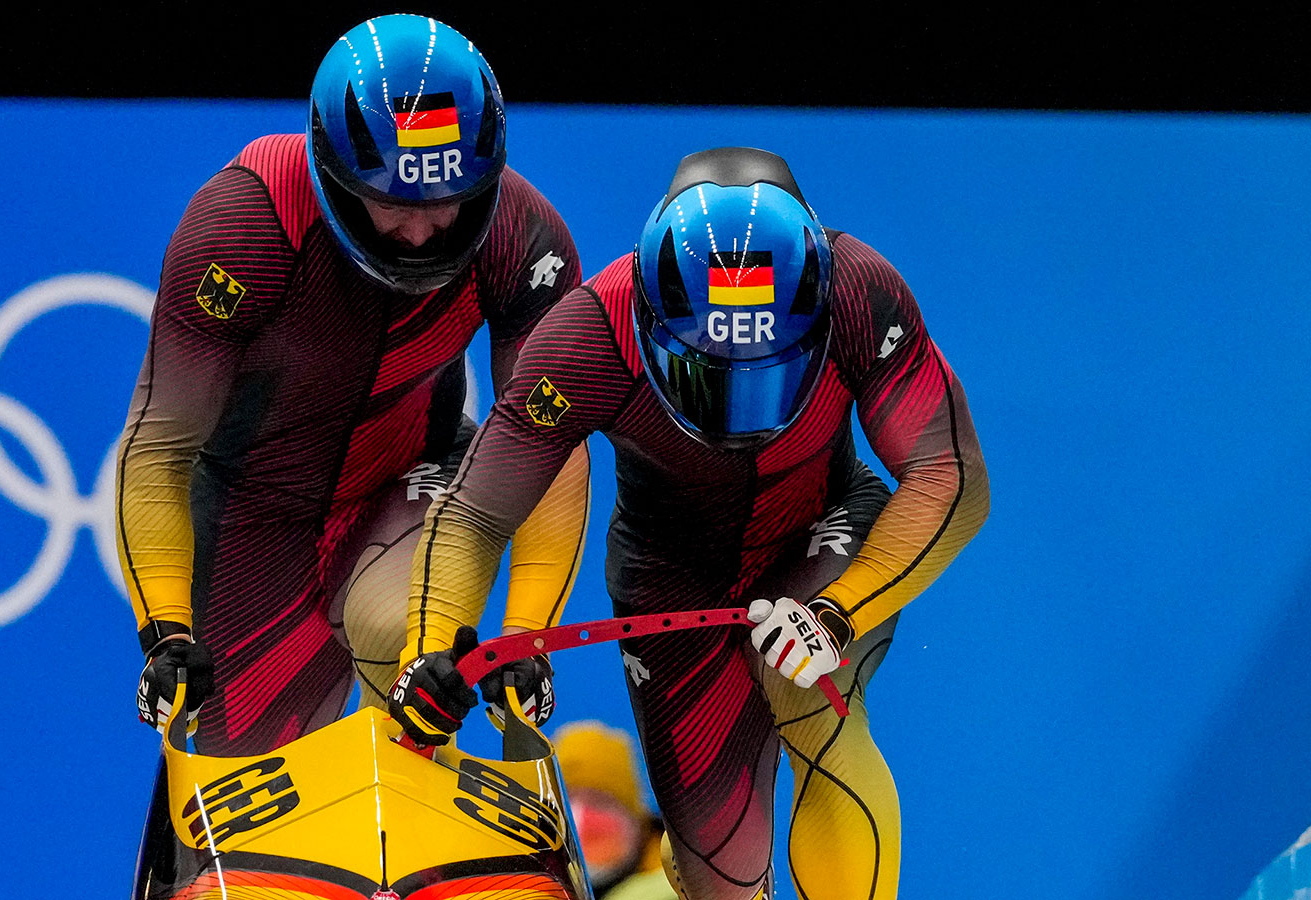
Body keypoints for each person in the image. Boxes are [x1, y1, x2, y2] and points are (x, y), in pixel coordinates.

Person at [387, 148, 990, 900]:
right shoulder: (591, 333)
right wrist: (425, 650)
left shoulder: (861, 292)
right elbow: (477, 514)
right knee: (721, 874)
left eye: (768, 368)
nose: (741, 411)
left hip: (822, 529)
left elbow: (949, 476)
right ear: (650, 315)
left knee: (804, 678)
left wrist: (842, 611)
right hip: (669, 578)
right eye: (711, 370)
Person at [115, 13, 589, 757]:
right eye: (394, 201)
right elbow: (159, 446)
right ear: (334, 170)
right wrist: (167, 629)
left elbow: (547, 445)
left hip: (411, 477)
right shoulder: (247, 220)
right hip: (252, 514)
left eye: (448, 198)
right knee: (236, 804)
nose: (423, 232)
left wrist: (528, 636)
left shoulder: (522, 238)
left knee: (410, 653)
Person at [553, 720, 673, 900]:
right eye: (567, 803)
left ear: (636, 820)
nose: (581, 819)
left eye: (600, 802)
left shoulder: (682, 885)